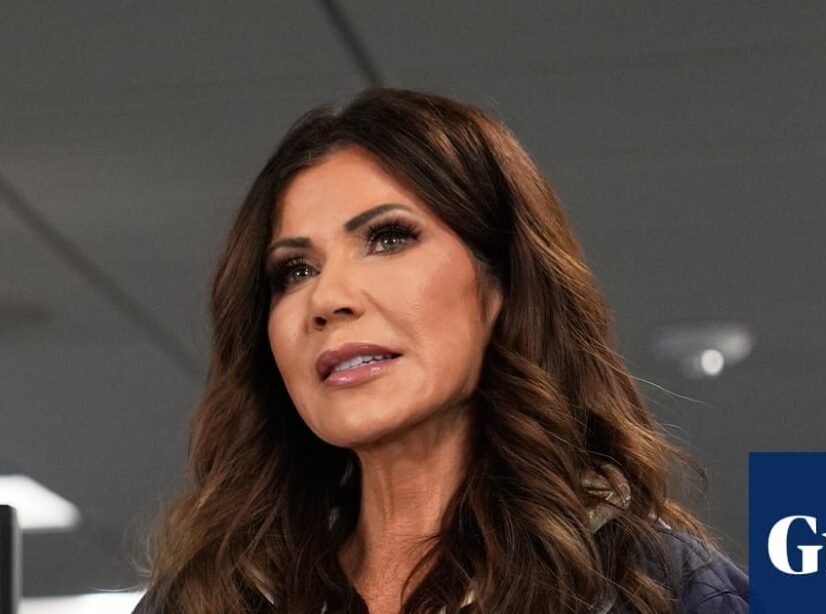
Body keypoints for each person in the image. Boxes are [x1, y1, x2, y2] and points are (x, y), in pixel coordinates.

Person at [134, 88, 747, 613]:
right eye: (294, 271)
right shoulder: (205, 598)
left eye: (388, 238)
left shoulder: (664, 590)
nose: (327, 298)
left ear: (501, 284)